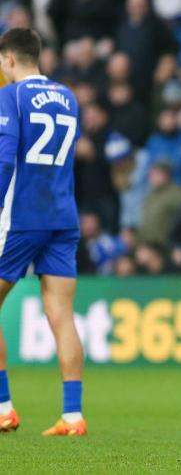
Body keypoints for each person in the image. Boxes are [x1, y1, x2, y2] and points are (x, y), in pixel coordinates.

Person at [0, 28, 85, 436]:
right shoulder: (68, 98)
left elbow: (6, 157)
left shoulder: (11, 95)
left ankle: (3, 408)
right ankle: (73, 415)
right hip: (63, 216)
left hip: (21, 216)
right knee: (62, 316)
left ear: (10, 59)